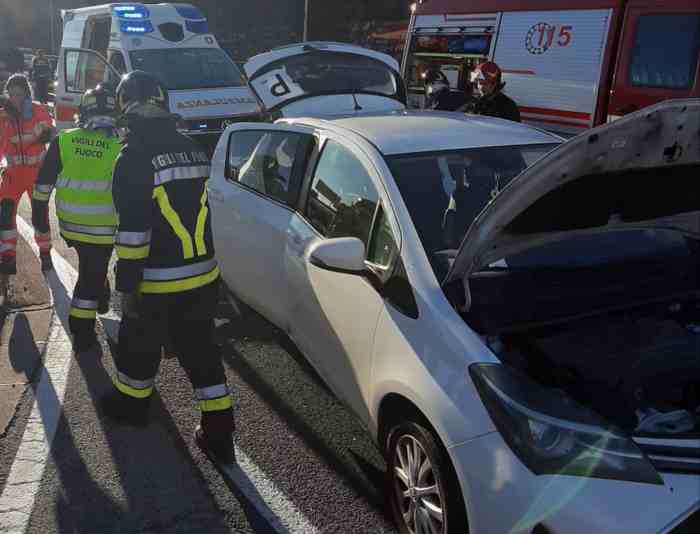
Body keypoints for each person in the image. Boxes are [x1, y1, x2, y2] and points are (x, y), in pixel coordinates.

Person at [101, 70, 235, 463]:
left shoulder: (133, 158)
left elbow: (134, 229)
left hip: (157, 281)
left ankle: (133, 406)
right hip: (202, 275)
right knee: (202, 351)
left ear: (126, 107)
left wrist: (127, 278)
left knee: (139, 346)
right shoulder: (193, 148)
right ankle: (219, 431)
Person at [31, 84, 120, 352]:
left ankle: (101, 293)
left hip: (70, 226)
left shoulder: (64, 140)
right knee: (89, 278)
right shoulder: (120, 145)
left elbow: (42, 185)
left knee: (92, 266)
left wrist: (40, 220)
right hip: (105, 228)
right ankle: (81, 333)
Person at [0, 74, 53, 274]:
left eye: (19, 94)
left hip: (36, 175)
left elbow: (47, 130)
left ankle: (45, 253)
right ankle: (7, 256)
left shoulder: (38, 111)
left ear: (27, 93)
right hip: (12, 176)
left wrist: (26, 116)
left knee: (40, 216)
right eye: (11, 94)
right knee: (5, 215)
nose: (15, 98)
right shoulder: (3, 117)